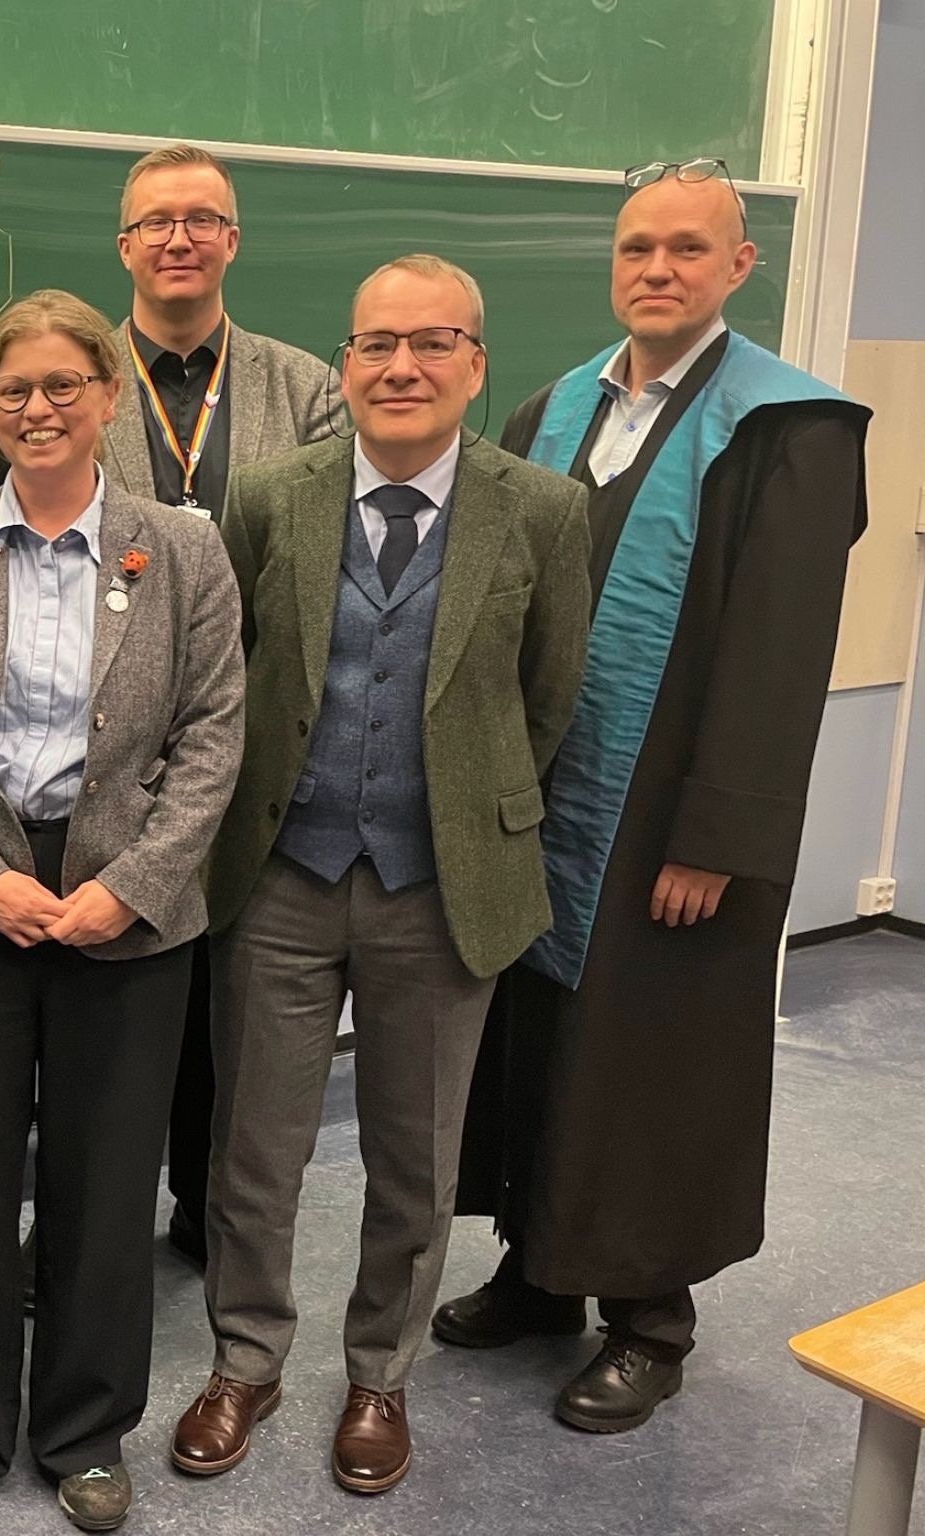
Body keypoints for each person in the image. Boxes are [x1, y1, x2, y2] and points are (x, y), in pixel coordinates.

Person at [438, 159, 872, 1433]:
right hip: (548, 799)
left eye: (687, 248)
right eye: (636, 247)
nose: (657, 269)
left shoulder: (788, 430)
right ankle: (537, 1273)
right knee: (538, 1042)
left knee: (650, 1058)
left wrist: (715, 836)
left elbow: (779, 657)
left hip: (672, 810)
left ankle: (648, 1317)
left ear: (738, 265)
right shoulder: (552, 406)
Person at [176, 255, 592, 1496]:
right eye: (374, 344)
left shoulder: (541, 511)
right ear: (344, 363)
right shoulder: (268, 497)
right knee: (254, 1150)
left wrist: (461, 810)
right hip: (279, 875)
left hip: (441, 887)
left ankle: (377, 1377)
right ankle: (245, 1360)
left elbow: (546, 699)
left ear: (474, 363)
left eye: (430, 342)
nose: (399, 366)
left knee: (414, 1159)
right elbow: (231, 672)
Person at [0, 289, 246, 1533]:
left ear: (106, 396)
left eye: (62, 386)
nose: (38, 409)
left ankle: (84, 1432)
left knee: (103, 1182)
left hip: (124, 913)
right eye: (13, 390)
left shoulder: (179, 549)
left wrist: (127, 889)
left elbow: (211, 738)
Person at [101, 142, 336, 1267]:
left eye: (202, 219)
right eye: (157, 221)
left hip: (252, 752)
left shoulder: (309, 390)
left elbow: (328, 567)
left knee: (233, 1004)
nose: (179, 238)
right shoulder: (73, 378)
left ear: (232, 240)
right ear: (125, 246)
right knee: (111, 1003)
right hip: (103, 755)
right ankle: (94, 1219)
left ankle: (209, 1212)